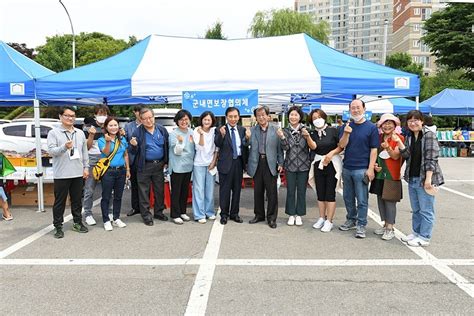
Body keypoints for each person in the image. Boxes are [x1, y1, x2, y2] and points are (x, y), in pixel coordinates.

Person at [397, 110, 444, 247]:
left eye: (416, 120)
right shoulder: (410, 136)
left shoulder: (429, 136)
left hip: (425, 178)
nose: (413, 123)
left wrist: (428, 179)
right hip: (412, 177)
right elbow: (407, 155)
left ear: (422, 121)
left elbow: (431, 158)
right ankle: (416, 233)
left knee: (426, 210)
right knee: (416, 209)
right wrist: (399, 144)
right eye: (410, 121)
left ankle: (425, 237)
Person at [338, 99, 379, 238]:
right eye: (352, 108)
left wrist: (370, 168)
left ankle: (361, 224)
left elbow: (374, 149)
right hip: (347, 167)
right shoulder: (346, 126)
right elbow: (342, 145)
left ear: (364, 108)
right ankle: (351, 219)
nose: (355, 110)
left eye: (358, 108)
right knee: (348, 197)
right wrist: (346, 133)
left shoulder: (371, 127)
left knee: (362, 199)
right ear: (349, 110)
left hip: (362, 169)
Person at [47, 106, 89, 238]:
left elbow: (84, 152)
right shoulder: (54, 133)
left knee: (77, 200)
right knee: (60, 202)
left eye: (72, 116)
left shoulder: (80, 133)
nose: (70, 118)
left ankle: (77, 222)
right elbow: (52, 151)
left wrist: (86, 167)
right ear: (60, 117)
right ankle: (58, 226)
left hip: (77, 172)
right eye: (67, 115)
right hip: (62, 174)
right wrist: (64, 147)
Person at [129, 108, 169, 226]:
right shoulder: (137, 132)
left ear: (154, 116)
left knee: (159, 190)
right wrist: (134, 146)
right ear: (140, 120)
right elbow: (132, 151)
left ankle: (159, 212)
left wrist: (166, 161)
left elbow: (166, 146)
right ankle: (146, 215)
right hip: (144, 165)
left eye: (150, 117)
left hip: (159, 165)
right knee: (143, 192)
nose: (148, 120)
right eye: (145, 118)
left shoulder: (161, 129)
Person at [278, 106, 315, 226]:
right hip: (290, 165)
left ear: (300, 117)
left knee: (301, 191)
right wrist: (283, 137)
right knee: (290, 191)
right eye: (291, 115)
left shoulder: (307, 130)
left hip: (304, 165)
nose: (293, 117)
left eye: (296, 115)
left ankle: (299, 214)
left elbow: (312, 147)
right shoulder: (285, 131)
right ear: (288, 117)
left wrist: (307, 136)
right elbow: (285, 148)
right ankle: (290, 214)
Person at [369, 114, 405, 241]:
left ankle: (390, 228)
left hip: (392, 174)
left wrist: (388, 147)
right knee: (380, 199)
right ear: (380, 125)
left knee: (390, 201)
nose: (387, 126)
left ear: (395, 125)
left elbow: (395, 156)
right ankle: (385, 225)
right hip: (379, 173)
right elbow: (374, 153)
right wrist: (374, 165)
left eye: (390, 123)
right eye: (385, 123)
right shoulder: (378, 137)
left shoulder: (399, 138)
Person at [247, 106, 283, 229]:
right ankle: (259, 215)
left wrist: (281, 163)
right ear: (256, 118)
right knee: (258, 192)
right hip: (256, 163)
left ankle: (272, 218)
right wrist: (246, 138)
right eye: (258, 115)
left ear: (268, 116)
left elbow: (280, 149)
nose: (261, 117)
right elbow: (246, 145)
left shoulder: (276, 130)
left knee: (272, 192)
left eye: (263, 115)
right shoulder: (252, 130)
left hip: (271, 163)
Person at [308, 109, 343, 233]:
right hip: (318, 163)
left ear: (324, 117)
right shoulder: (312, 133)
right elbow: (314, 147)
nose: (317, 120)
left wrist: (331, 154)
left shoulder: (334, 130)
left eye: (319, 117)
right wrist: (307, 137)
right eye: (314, 118)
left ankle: (330, 221)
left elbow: (341, 146)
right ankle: (322, 217)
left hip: (332, 163)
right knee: (320, 192)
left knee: (330, 193)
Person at [214, 107, 248, 225]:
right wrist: (222, 135)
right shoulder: (220, 130)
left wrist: (246, 164)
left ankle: (234, 213)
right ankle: (224, 214)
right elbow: (217, 144)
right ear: (226, 117)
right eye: (230, 117)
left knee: (237, 190)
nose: (233, 119)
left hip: (238, 163)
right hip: (225, 164)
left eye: (235, 116)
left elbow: (245, 147)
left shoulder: (242, 130)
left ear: (238, 117)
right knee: (225, 191)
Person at [97, 117, 130, 231]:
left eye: (115, 125)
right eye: (110, 125)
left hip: (121, 170)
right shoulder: (102, 140)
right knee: (106, 196)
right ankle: (106, 220)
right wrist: (107, 141)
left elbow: (125, 154)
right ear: (106, 127)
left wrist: (128, 169)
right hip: (108, 171)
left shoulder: (122, 139)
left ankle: (116, 218)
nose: (113, 127)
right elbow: (105, 153)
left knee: (118, 196)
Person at [82, 104, 110, 226]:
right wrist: (91, 135)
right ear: (95, 115)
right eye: (100, 114)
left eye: (104, 114)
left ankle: (109, 212)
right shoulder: (88, 127)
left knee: (108, 188)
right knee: (89, 189)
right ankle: (87, 213)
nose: (102, 116)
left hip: (106, 160)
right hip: (92, 160)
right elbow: (86, 148)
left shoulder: (110, 127)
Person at [168, 110, 195, 225]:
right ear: (177, 121)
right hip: (177, 166)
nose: (184, 122)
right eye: (181, 119)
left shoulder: (192, 132)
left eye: (186, 119)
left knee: (185, 190)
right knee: (176, 191)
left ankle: (183, 211)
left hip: (188, 166)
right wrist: (180, 142)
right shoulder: (174, 134)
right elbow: (177, 152)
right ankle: (175, 214)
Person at [192, 111, 218, 224]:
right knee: (198, 189)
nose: (207, 121)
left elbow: (217, 148)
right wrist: (202, 134)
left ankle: (209, 212)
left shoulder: (214, 131)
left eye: (209, 120)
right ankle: (199, 214)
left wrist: (213, 162)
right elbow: (200, 147)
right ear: (201, 120)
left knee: (210, 189)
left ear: (212, 121)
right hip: (198, 164)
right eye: (205, 119)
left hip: (211, 164)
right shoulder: (196, 130)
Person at [124, 104, 143, 217]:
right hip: (133, 158)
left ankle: (145, 206)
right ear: (134, 113)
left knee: (145, 184)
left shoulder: (149, 124)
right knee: (135, 184)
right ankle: (135, 207)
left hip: (146, 159)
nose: (140, 114)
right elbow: (125, 142)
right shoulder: (128, 126)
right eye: (138, 112)